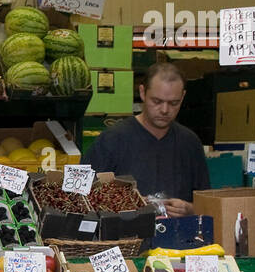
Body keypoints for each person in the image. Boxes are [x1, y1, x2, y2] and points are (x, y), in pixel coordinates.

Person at [86, 62, 210, 217]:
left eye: (173, 103)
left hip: (177, 237)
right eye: (157, 101)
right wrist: (126, 204)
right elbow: (82, 196)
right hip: (125, 238)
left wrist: (189, 209)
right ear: (143, 93)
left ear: (183, 96)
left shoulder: (190, 143)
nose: (165, 110)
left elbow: (208, 204)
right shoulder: (113, 139)